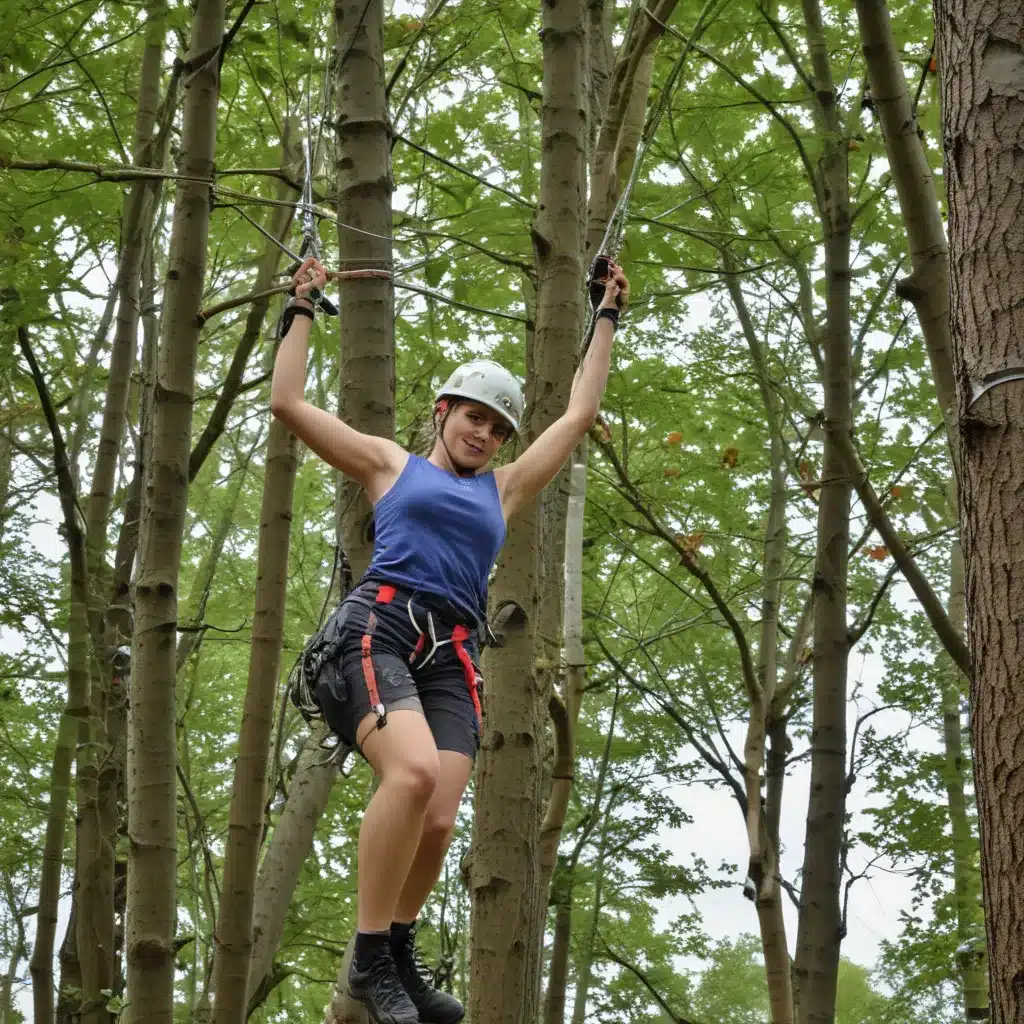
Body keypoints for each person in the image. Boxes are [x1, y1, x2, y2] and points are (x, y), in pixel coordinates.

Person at [270, 255, 629, 1024]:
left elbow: (575, 417)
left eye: (499, 427)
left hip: (452, 653)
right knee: (411, 776)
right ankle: (371, 961)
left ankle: (397, 948)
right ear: (443, 410)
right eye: (474, 416)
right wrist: (303, 307)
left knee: (438, 814)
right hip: (380, 629)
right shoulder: (388, 464)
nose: (485, 434)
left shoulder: (504, 488)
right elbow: (288, 401)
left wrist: (606, 317)